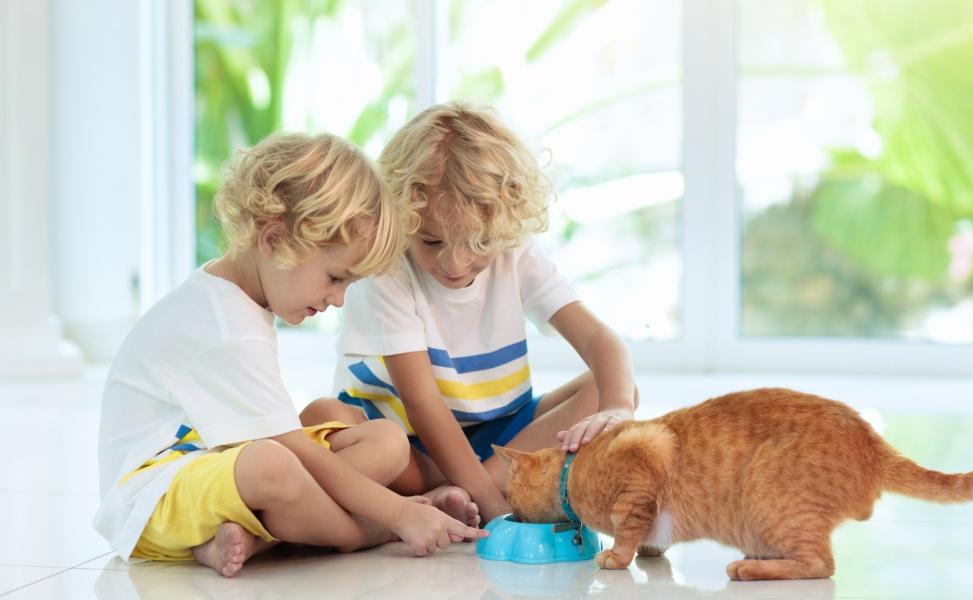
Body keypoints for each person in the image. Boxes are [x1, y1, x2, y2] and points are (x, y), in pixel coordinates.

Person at [93, 132, 486, 578]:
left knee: (385, 441)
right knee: (272, 464)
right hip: (152, 498)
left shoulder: (239, 297)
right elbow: (294, 454)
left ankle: (258, 539)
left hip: (220, 467)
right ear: (274, 238)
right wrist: (397, 515)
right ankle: (362, 533)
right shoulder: (225, 326)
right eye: (335, 277)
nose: (337, 299)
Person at [301, 103, 639, 523]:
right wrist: (497, 511)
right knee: (327, 419)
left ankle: (461, 491)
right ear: (402, 217)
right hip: (408, 445)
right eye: (432, 242)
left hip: (499, 438)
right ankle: (478, 490)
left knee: (604, 388)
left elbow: (599, 341)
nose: (455, 264)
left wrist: (619, 407)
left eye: (478, 244)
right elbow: (423, 405)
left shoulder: (515, 252)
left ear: (504, 224)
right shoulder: (385, 267)